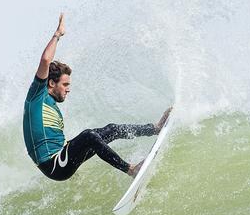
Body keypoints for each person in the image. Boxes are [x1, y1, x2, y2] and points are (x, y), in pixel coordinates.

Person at [23, 13, 170, 181]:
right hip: (53, 165)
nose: (68, 89)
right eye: (65, 85)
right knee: (88, 135)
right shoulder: (36, 97)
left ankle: (154, 128)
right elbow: (45, 60)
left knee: (112, 129)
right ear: (50, 83)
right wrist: (58, 34)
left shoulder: (52, 106)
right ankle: (131, 169)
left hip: (63, 157)